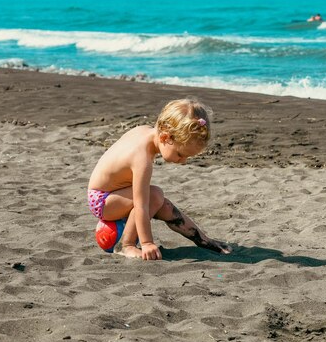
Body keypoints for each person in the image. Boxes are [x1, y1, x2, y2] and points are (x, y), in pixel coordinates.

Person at [87, 98, 232, 260]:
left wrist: (206, 240)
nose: (183, 161)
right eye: (180, 154)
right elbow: (141, 205)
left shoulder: (144, 131)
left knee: (164, 205)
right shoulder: (141, 159)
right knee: (154, 195)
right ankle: (126, 245)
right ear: (164, 137)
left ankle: (204, 240)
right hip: (102, 200)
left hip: (115, 194)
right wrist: (147, 242)